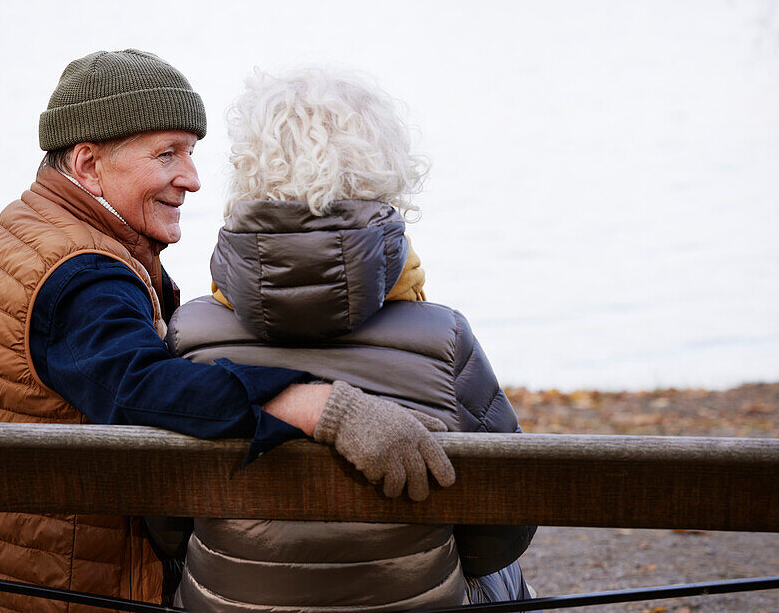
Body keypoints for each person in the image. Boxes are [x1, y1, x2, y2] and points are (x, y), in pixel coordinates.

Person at [0, 50, 456, 613]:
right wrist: (316, 405)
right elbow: (139, 389)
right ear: (89, 164)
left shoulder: (34, 228)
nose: (191, 179)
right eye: (166, 154)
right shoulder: (81, 272)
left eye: (191, 153)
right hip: (46, 586)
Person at [166, 67, 536, 612]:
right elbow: (500, 535)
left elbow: (165, 526)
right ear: (382, 175)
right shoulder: (443, 337)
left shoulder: (191, 336)